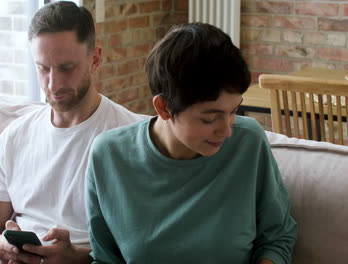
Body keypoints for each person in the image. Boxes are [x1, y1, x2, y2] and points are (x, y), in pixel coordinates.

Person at [86, 23, 298, 264]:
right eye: (210, 117)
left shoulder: (248, 143)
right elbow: (105, 258)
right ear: (163, 107)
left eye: (234, 111)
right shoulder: (108, 157)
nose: (227, 130)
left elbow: (278, 237)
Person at [0, 1, 147, 263]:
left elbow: (145, 246)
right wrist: (1, 246)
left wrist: (76, 257)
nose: (53, 84)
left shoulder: (131, 138)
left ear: (95, 59)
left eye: (66, 68)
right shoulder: (14, 137)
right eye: (43, 68)